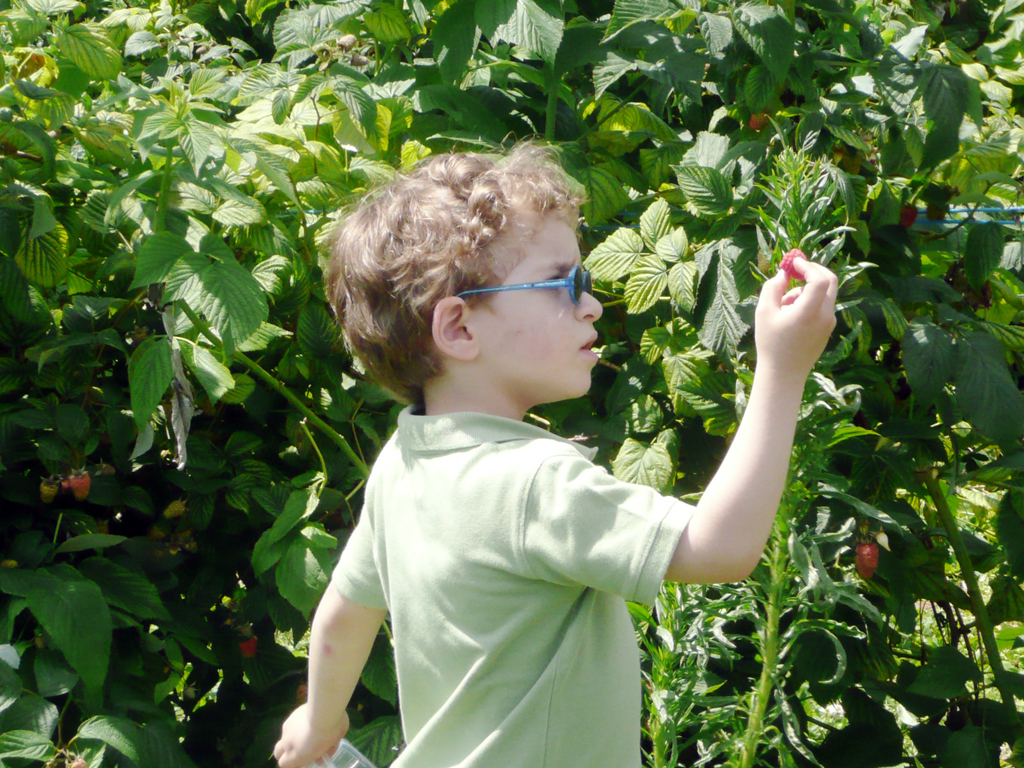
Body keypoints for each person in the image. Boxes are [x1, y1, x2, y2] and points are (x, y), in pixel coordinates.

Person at [273, 144, 838, 768]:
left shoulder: (404, 463)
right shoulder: (534, 483)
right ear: (460, 328)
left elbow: (346, 612)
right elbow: (720, 548)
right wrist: (783, 368)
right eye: (565, 284)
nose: (591, 304)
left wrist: (318, 723)